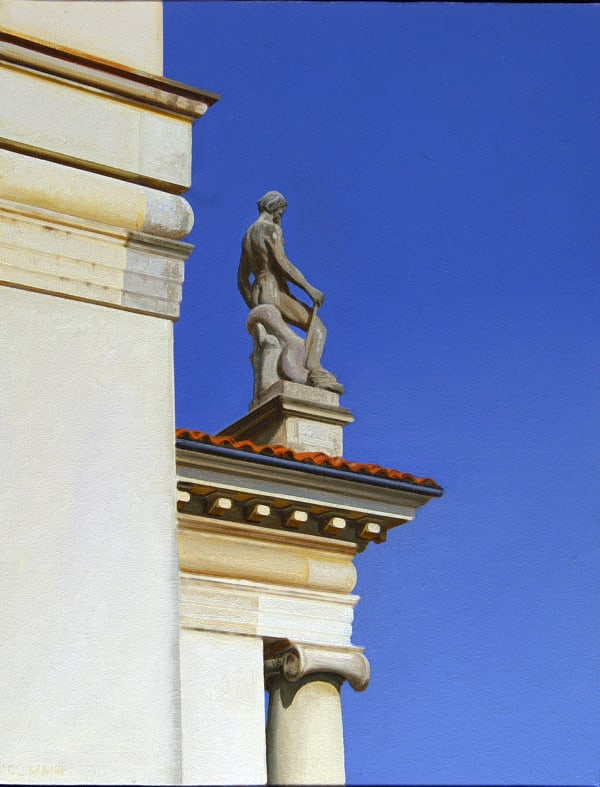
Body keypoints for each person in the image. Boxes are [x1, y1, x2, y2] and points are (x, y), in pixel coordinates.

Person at [238, 191, 343, 393]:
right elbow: (283, 263)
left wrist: (253, 303)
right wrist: (309, 288)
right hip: (275, 290)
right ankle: (315, 372)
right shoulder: (271, 229)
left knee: (277, 340)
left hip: (260, 290)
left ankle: (290, 371)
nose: (281, 215)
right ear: (274, 208)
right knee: (318, 328)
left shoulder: (249, 234)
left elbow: (242, 278)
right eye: (281, 211)